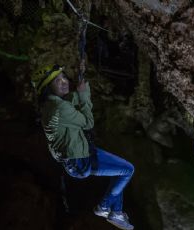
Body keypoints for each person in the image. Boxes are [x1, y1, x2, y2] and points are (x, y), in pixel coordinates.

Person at [32, 64, 135, 230]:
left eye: (63, 77)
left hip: (77, 158)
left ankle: (115, 211)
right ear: (48, 89)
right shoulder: (59, 108)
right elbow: (88, 122)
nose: (64, 81)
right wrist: (84, 95)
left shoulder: (49, 106)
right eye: (57, 81)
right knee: (127, 170)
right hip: (80, 161)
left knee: (120, 171)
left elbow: (68, 101)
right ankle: (105, 207)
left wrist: (79, 91)